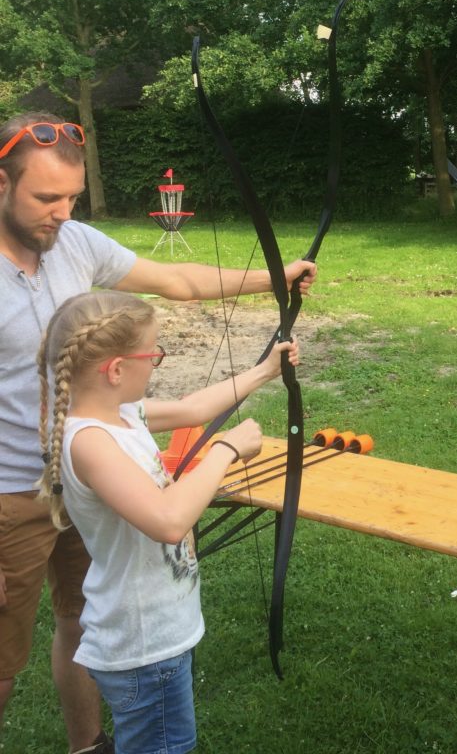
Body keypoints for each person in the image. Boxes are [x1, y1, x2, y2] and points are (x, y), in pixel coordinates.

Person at [0, 112, 316, 753]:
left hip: (92, 486)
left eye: (72, 198)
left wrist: (274, 276)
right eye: (46, 198)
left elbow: (178, 281)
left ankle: (87, 746)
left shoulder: (75, 241)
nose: (63, 214)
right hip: (9, 496)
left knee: (82, 622)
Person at [36, 289, 298, 754]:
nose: (156, 362)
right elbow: (169, 519)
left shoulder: (121, 415)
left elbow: (194, 408)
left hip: (157, 636)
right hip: (141, 647)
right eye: (152, 355)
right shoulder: (90, 441)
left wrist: (264, 371)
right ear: (116, 370)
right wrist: (226, 449)